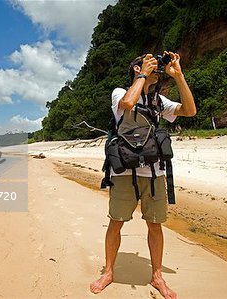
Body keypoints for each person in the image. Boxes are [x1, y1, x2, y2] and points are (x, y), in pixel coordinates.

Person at [90, 52, 196, 299]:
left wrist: (178, 75)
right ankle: (108, 272)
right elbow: (127, 104)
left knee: (155, 224)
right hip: (125, 173)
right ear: (136, 68)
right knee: (116, 221)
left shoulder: (158, 100)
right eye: (146, 61)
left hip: (155, 171)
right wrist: (142, 75)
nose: (153, 65)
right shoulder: (120, 92)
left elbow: (189, 110)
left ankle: (157, 275)